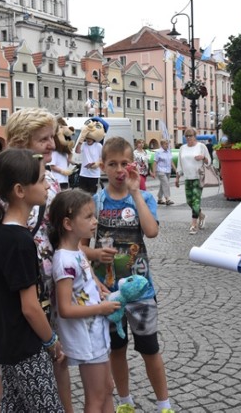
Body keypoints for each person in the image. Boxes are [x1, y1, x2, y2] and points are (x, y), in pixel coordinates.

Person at [0, 108, 74, 413]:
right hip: (19, 293)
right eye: (43, 139)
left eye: (52, 137)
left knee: (58, 362)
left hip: (49, 287)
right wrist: (10, 247)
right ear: (21, 141)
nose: (51, 144)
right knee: (10, 378)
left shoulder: (46, 174)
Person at [83, 137, 175, 413]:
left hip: (141, 289)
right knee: (117, 349)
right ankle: (124, 401)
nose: (119, 169)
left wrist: (136, 193)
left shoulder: (144, 197)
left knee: (150, 348)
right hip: (107, 292)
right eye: (112, 164)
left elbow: (152, 231)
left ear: (132, 165)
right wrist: (96, 256)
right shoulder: (95, 201)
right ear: (102, 166)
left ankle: (164, 404)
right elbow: (79, 247)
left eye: (124, 163)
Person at [0, 148, 64, 412]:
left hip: (9, 346)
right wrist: (51, 341)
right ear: (20, 190)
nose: (46, 185)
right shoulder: (19, 241)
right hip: (25, 350)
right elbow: (30, 306)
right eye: (41, 180)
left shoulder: (6, 234)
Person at [49, 189, 120, 413]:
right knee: (96, 397)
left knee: (107, 388)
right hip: (85, 339)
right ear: (68, 224)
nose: (95, 221)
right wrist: (102, 307)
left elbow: (85, 284)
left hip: (95, 333)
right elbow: (65, 309)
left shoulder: (77, 252)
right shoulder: (64, 260)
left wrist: (99, 289)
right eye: (88, 216)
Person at [175, 127, 210, 235]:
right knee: (189, 201)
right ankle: (202, 215)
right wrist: (177, 177)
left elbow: (209, 162)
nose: (189, 138)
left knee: (195, 200)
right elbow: (180, 164)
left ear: (195, 136)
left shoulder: (201, 146)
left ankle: (193, 224)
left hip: (198, 177)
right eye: (187, 136)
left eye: (191, 135)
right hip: (187, 177)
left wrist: (203, 157)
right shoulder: (182, 148)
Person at [75, 122, 103, 195]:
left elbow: (103, 157)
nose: (88, 140)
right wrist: (81, 140)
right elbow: (77, 151)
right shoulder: (84, 145)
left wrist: (97, 163)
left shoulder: (98, 146)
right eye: (87, 138)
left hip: (94, 175)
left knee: (93, 195)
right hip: (84, 174)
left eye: (90, 138)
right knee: (82, 195)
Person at [151, 139, 176, 205]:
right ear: (162, 145)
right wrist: (153, 172)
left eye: (168, 144)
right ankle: (167, 199)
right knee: (166, 183)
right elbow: (155, 162)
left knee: (163, 185)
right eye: (166, 144)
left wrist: (176, 170)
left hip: (168, 171)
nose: (167, 145)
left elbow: (171, 161)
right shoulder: (158, 152)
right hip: (160, 170)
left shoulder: (169, 151)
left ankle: (159, 198)